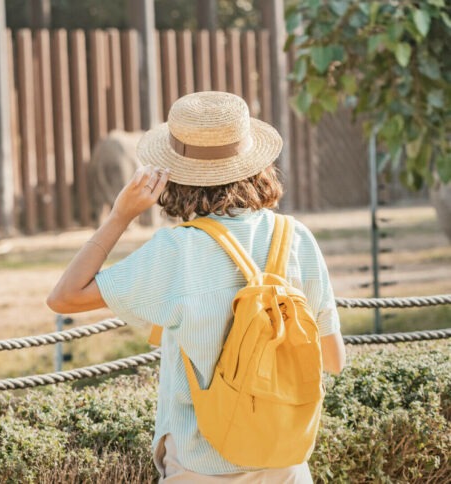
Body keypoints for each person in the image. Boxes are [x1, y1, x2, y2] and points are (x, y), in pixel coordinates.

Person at [47, 91, 346, 482]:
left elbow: (64, 297)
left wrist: (120, 215)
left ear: (174, 175)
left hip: (200, 468)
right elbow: (333, 360)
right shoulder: (297, 238)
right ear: (255, 164)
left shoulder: (176, 251)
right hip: (286, 465)